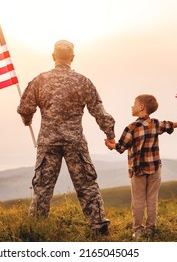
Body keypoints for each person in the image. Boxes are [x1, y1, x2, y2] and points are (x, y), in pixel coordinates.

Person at [17, 40, 116, 235]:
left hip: (48, 142)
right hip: (75, 141)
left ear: (53, 56)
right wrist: (110, 134)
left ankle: (36, 227)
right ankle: (98, 226)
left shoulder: (40, 80)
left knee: (43, 187)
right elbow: (98, 111)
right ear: (72, 58)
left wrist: (27, 119)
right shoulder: (83, 81)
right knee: (87, 184)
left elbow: (25, 108)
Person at [105, 94, 177, 239]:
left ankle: (138, 230)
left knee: (138, 201)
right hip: (155, 168)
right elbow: (169, 125)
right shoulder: (156, 124)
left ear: (142, 107)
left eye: (134, 103)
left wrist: (111, 145)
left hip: (138, 170)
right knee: (152, 200)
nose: (132, 106)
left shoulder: (131, 128)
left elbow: (121, 147)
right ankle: (151, 229)